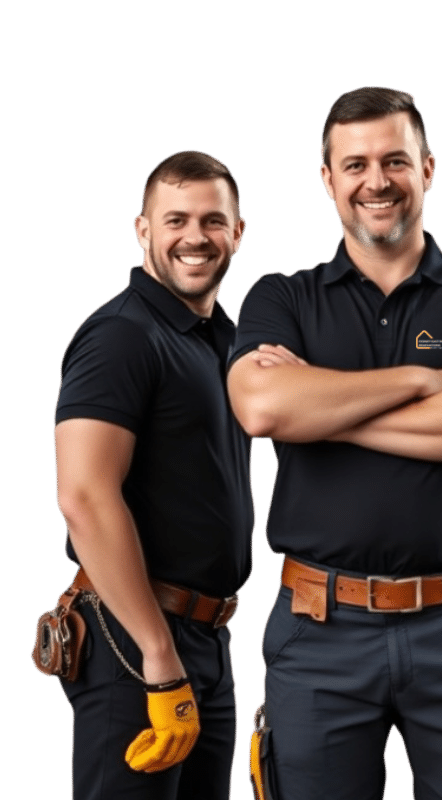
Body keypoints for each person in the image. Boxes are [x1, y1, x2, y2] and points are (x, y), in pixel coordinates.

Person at [228, 86, 442, 800]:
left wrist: (326, 402)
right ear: (327, 180)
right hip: (319, 632)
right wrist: (428, 380)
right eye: (356, 164)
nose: (377, 181)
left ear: (428, 169)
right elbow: (261, 406)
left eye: (395, 161)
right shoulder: (280, 296)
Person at [50, 150, 253, 799]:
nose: (195, 237)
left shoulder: (225, 340)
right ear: (143, 231)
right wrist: (156, 652)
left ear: (238, 232)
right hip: (131, 640)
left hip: (207, 639)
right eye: (176, 220)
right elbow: (83, 496)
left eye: (212, 221)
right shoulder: (121, 335)